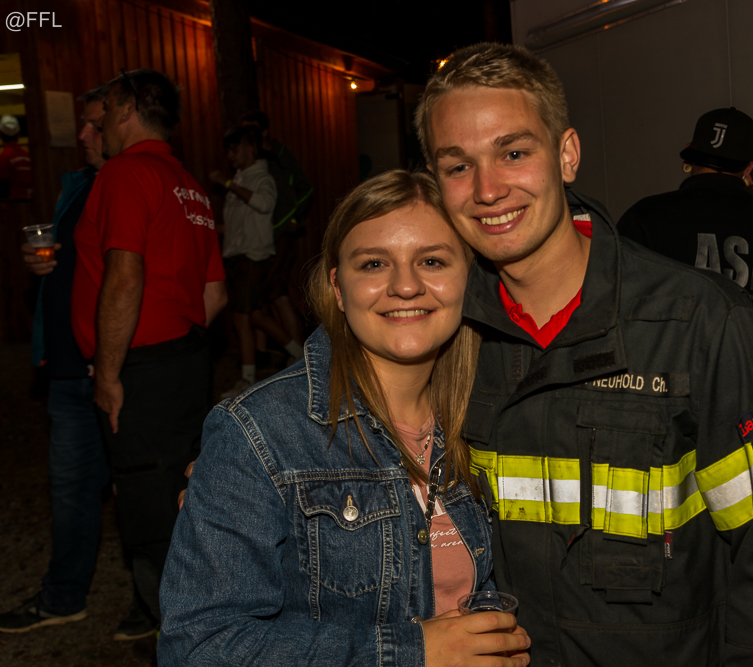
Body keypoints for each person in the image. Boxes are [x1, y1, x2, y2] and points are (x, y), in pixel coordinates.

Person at [415, 43, 753, 665]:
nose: (487, 189)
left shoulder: (697, 323)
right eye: (458, 166)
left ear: (567, 155)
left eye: (513, 153)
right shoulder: (439, 332)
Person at [158, 170, 531, 667]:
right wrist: (413, 652)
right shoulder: (260, 433)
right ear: (338, 287)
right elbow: (198, 648)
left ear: (470, 278)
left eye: (432, 261)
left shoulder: (496, 412)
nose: (405, 285)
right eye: (374, 263)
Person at [70, 68, 228, 637]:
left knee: (147, 508)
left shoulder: (125, 172)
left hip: (141, 368)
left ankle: (184, 639)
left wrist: (110, 371)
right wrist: (175, 341)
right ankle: (205, 618)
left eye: (107, 112)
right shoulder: (189, 185)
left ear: (127, 110)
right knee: (178, 491)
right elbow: (214, 294)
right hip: (185, 360)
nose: (101, 127)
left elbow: (124, 275)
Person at [618, 108, 753, 418]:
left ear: (691, 153)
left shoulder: (644, 218)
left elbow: (611, 317)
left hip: (662, 412)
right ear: (750, 167)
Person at [0, 87, 111, 635]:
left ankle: (160, 606)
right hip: (67, 366)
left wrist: (108, 358)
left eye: (95, 125)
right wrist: (40, 262)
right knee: (69, 490)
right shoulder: (80, 185)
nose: (84, 135)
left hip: (113, 366)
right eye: (83, 124)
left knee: (142, 491)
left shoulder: (133, 185)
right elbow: (68, 261)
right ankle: (64, 596)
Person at [208, 125, 302, 399]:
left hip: (254, 257)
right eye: (228, 150)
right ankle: (300, 355)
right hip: (237, 256)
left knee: (242, 317)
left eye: (235, 149)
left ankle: (247, 379)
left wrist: (228, 184)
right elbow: (237, 226)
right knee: (255, 315)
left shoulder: (262, 177)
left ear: (250, 149)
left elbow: (263, 204)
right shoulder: (240, 179)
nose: (230, 155)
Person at [241, 109, 311, 356]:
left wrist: (293, 219)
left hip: (282, 232)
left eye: (252, 128)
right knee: (276, 289)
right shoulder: (254, 160)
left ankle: (299, 351)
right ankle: (280, 350)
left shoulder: (278, 157)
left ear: (265, 131)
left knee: (274, 291)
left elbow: (304, 188)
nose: (248, 133)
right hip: (265, 236)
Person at [0, 114, 32, 199]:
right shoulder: (28, 156)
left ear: (0, 135)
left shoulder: (3, 158)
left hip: (13, 203)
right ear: (19, 135)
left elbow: (3, 190)